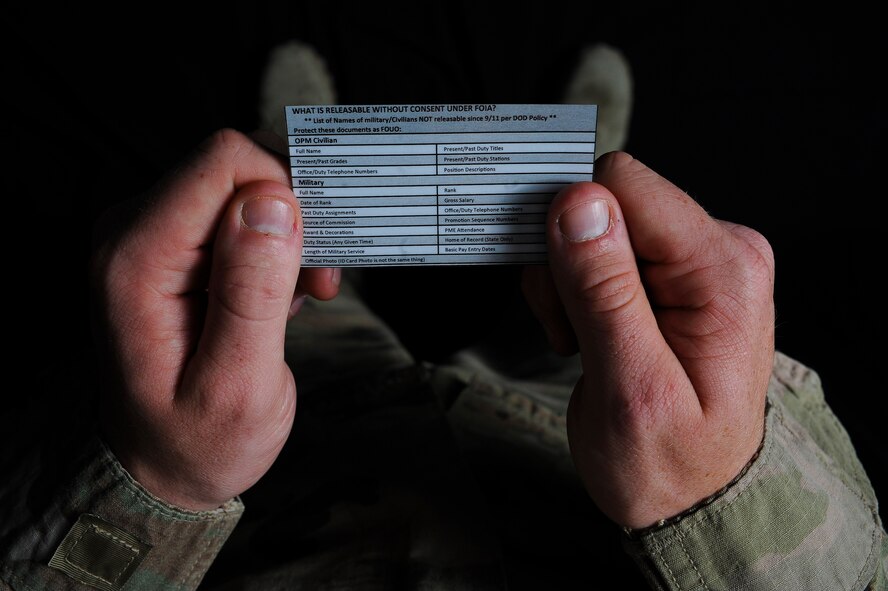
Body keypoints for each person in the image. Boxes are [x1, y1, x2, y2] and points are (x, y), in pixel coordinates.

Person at [0, 126, 884, 590]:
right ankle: (562, 184)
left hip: (301, 466)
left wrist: (153, 478)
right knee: (567, 330)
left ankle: (317, 193)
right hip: (577, 457)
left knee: (306, 312)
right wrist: (722, 499)